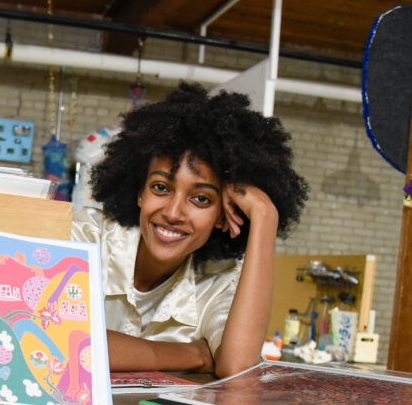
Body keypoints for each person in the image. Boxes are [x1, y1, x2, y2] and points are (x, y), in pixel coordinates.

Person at [72, 83, 307, 378]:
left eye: (201, 199)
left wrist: (265, 217)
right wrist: (192, 354)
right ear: (139, 193)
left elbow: (238, 368)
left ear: (224, 216)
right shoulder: (87, 237)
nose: (172, 213)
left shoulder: (218, 281)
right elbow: (58, 339)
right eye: (160, 187)